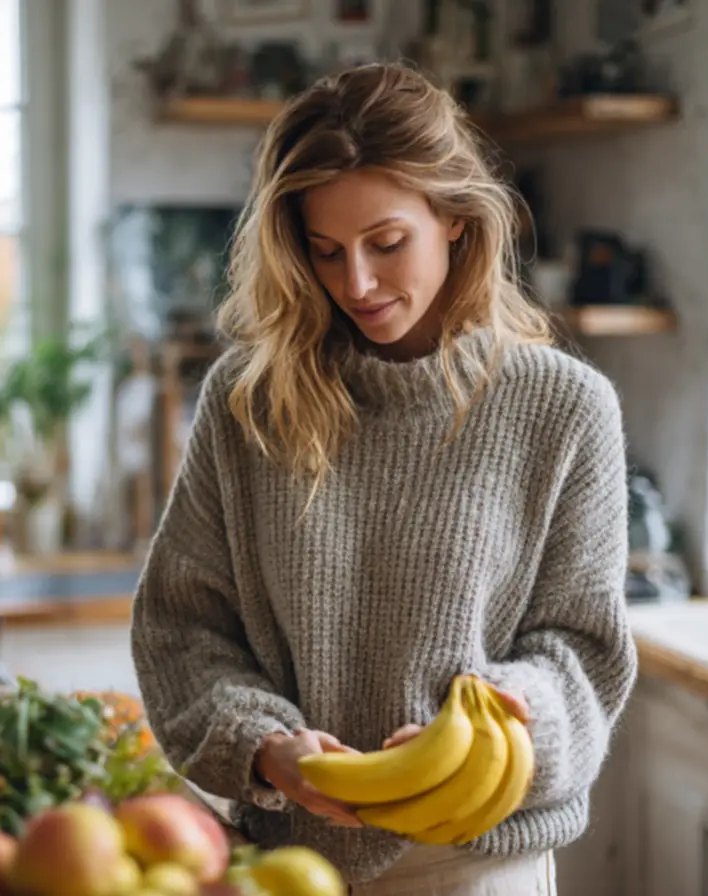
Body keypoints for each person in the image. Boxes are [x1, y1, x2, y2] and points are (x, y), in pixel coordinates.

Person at [131, 61, 637, 896]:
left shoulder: (565, 408)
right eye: (324, 251)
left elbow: (583, 654)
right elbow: (182, 629)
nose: (355, 284)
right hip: (281, 860)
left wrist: (500, 722)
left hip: (477, 859)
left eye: (387, 243)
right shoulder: (247, 400)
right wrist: (263, 744)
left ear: (457, 221)